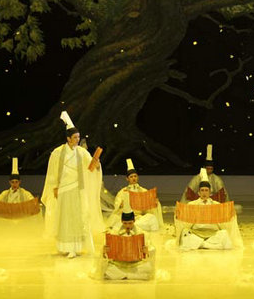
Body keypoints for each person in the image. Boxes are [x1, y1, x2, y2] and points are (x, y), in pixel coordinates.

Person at [40, 111, 104, 258]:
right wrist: (54, 187)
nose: (77, 139)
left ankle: (75, 247)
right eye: (75, 137)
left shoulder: (81, 152)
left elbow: (90, 168)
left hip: (77, 189)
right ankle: (64, 246)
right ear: (68, 138)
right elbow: (52, 172)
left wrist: (96, 164)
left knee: (77, 217)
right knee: (64, 218)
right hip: (63, 189)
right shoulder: (57, 152)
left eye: (78, 137)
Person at [176, 169, 241, 250]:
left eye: (206, 190)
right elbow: (184, 222)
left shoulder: (216, 205)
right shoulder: (192, 205)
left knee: (224, 234)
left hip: (213, 233)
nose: (204, 193)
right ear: (199, 192)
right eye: (202, 190)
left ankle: (201, 244)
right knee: (185, 232)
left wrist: (231, 215)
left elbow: (225, 222)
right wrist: (178, 216)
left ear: (210, 192)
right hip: (196, 232)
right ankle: (208, 245)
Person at [103, 197, 155, 280]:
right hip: (119, 264)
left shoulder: (141, 233)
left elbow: (151, 249)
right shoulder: (114, 232)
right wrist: (104, 251)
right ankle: (130, 275)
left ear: (134, 221)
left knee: (147, 268)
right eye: (125, 223)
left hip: (135, 264)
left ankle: (124, 275)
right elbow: (105, 253)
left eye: (130, 223)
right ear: (122, 222)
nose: (127, 226)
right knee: (107, 269)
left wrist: (147, 251)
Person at [106, 158, 163, 232]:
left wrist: (154, 203)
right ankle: (130, 226)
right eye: (131, 177)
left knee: (152, 218)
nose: (133, 178)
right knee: (115, 219)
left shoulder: (143, 190)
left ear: (137, 177)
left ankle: (135, 226)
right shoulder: (122, 192)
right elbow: (116, 206)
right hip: (127, 219)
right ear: (127, 179)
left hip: (140, 218)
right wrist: (121, 205)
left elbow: (149, 208)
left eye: (135, 176)